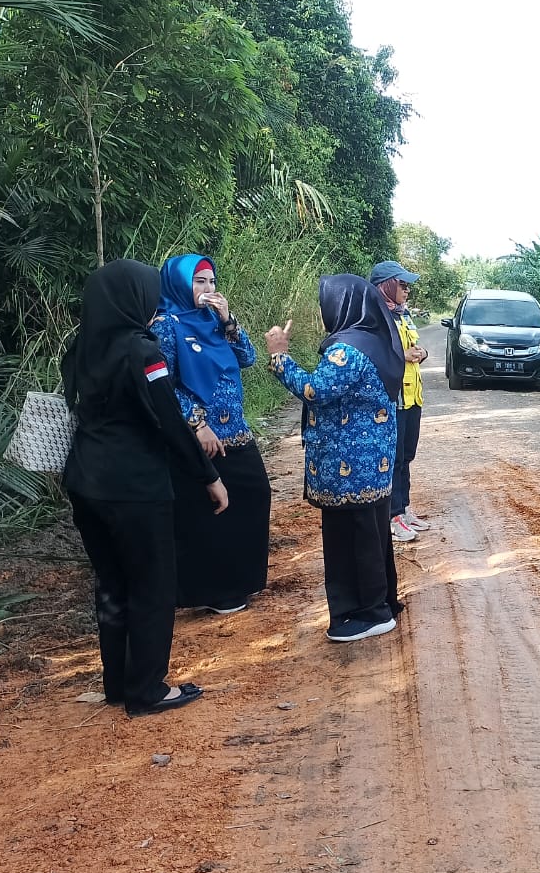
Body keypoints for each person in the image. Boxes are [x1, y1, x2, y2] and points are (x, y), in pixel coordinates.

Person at [62, 258, 228, 718]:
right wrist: (209, 477)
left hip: (84, 482)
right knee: (153, 583)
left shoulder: (80, 348)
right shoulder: (142, 350)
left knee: (112, 583)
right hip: (134, 485)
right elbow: (170, 423)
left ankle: (118, 683)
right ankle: (148, 689)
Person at [264, 274, 405, 642]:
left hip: (348, 467)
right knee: (371, 535)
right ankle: (383, 602)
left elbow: (315, 390)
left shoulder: (347, 350)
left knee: (350, 541)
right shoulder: (376, 340)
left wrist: (280, 356)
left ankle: (369, 613)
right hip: (371, 463)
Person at [152, 253, 271, 614]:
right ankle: (216, 591)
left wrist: (229, 320)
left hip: (235, 428)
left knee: (253, 494)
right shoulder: (165, 326)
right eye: (199, 281)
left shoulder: (214, 320)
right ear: (179, 283)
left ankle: (242, 581)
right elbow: (163, 385)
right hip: (201, 433)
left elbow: (248, 357)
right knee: (209, 511)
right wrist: (196, 423)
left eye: (211, 281)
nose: (207, 289)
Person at [369, 260, 430, 543]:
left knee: (406, 456)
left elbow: (414, 348)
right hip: (392, 400)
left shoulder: (403, 315)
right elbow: (372, 356)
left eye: (407, 286)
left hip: (412, 396)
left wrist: (421, 353)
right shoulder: (374, 317)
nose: (406, 290)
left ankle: (404, 509)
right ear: (386, 286)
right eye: (402, 285)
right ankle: (391, 517)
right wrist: (401, 356)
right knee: (392, 459)